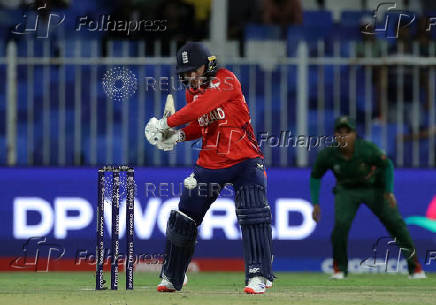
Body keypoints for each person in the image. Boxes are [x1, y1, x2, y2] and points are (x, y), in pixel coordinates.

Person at [144, 42, 274, 294]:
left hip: (245, 160)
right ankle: (172, 275)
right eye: (186, 72)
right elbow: (200, 123)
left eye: (196, 70)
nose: (191, 76)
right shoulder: (192, 93)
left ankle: (258, 275)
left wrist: (164, 123)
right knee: (184, 217)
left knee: (253, 215)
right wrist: (177, 136)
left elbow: (200, 108)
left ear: (209, 65)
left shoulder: (226, 80)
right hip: (211, 162)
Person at [310, 116, 426, 279]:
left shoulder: (367, 149)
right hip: (346, 190)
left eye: (347, 132)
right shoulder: (328, 154)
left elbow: (387, 166)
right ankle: (340, 270)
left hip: (374, 188)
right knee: (340, 226)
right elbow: (315, 176)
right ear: (334, 135)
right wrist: (315, 203)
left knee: (396, 224)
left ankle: (416, 269)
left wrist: (388, 190)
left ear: (355, 134)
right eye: (339, 132)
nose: (343, 136)